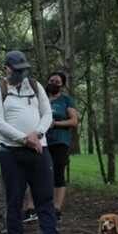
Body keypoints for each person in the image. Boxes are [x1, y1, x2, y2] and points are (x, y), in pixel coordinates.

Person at [0, 50, 66, 234]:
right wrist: (24, 139)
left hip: (40, 149)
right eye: (17, 71)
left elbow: (47, 114)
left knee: (45, 197)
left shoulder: (35, 86)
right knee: (14, 199)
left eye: (24, 70)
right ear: (7, 69)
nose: (21, 74)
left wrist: (37, 134)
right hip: (12, 153)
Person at [45, 71, 79, 218]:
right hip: (41, 141)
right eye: (51, 80)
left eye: (57, 82)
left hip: (60, 141)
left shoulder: (66, 100)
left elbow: (74, 121)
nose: (54, 83)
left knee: (58, 172)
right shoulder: (41, 99)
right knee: (41, 173)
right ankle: (35, 206)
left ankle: (56, 208)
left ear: (62, 85)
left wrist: (55, 124)